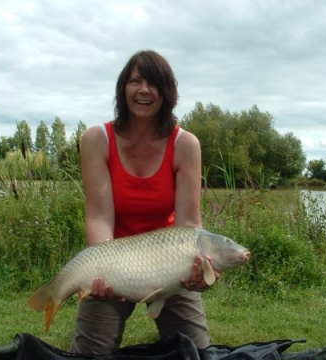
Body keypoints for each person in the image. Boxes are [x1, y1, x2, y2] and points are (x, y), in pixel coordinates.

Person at [70, 50, 219, 355]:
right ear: (122, 89)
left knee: (197, 352)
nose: (144, 90)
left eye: (154, 83)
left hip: (169, 261)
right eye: (135, 81)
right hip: (113, 259)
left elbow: (189, 224)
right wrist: (102, 271)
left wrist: (198, 269)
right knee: (89, 354)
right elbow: (99, 217)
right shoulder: (96, 139)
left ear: (167, 94)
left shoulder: (185, 144)